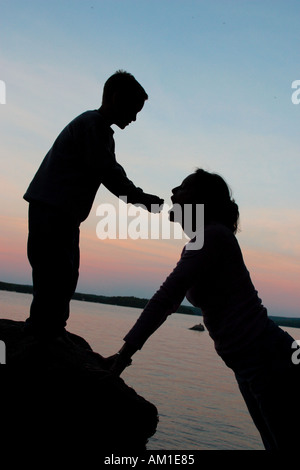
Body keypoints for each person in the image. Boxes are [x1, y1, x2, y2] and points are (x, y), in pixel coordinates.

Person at [109, 168, 300, 450]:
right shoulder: (204, 239)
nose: (173, 191)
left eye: (183, 187)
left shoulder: (213, 237)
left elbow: (166, 298)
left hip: (268, 361)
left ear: (201, 201)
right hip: (251, 364)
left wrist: (122, 358)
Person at [23, 70, 164, 339]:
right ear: (116, 97)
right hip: (52, 209)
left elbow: (110, 168)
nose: (134, 118)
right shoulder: (93, 125)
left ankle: (50, 328)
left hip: (60, 212)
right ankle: (43, 331)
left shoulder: (98, 129)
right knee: (54, 272)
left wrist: (139, 197)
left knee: (63, 273)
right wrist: (141, 198)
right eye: (133, 109)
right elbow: (108, 171)